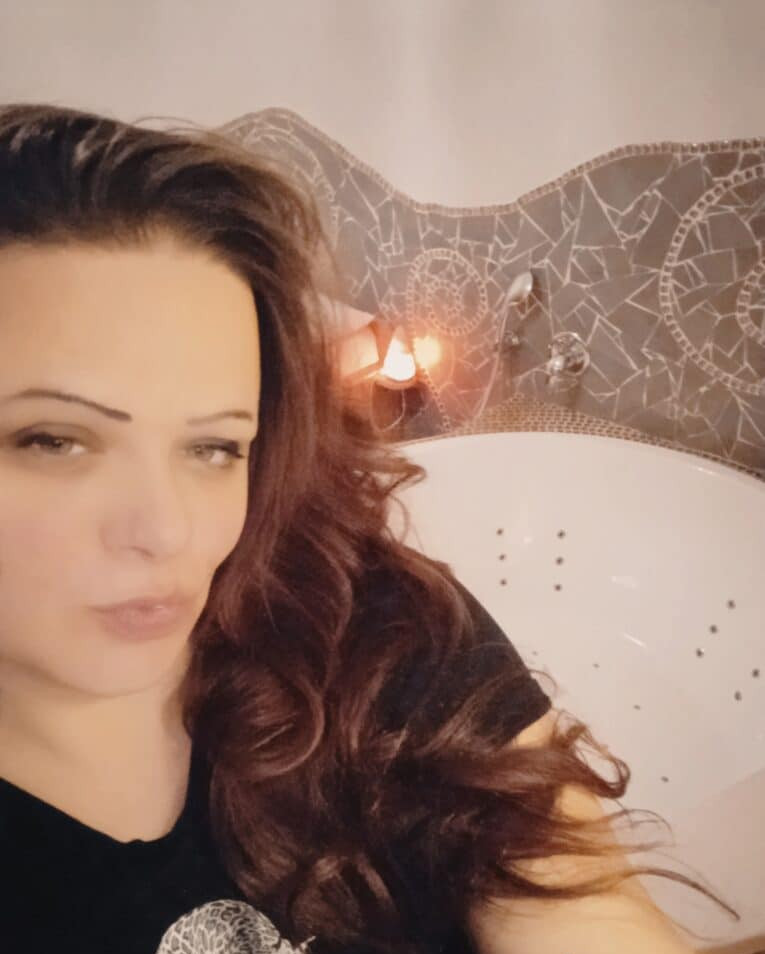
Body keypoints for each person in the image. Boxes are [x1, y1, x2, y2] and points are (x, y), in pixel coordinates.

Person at [0, 103, 737, 954]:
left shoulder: (360, 624)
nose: (169, 533)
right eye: (52, 440)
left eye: (214, 447)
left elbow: (587, 917)